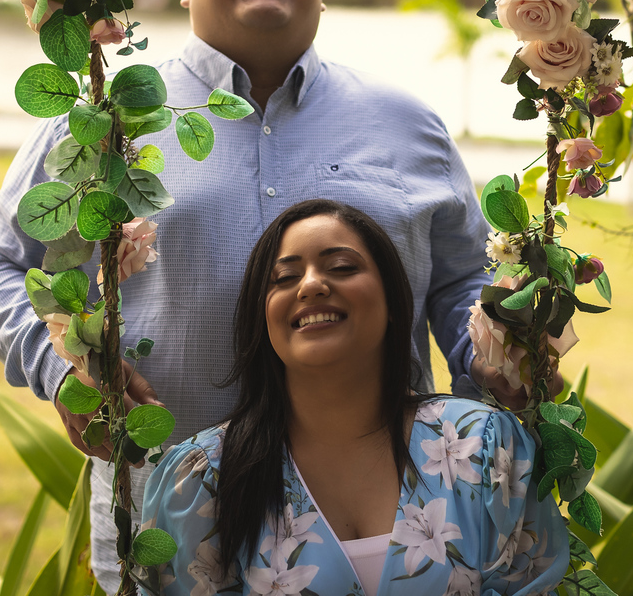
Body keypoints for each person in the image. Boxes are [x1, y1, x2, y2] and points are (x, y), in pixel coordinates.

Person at [0, 0, 519, 593]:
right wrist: (64, 370)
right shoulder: (106, 120)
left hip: (388, 535)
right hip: (171, 528)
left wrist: (497, 360)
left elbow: (460, 282)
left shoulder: (408, 123)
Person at [141, 200, 568, 596]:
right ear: (263, 318)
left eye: (342, 267)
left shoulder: (483, 446)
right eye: (285, 278)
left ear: (394, 303)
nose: (309, 285)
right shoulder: (202, 481)